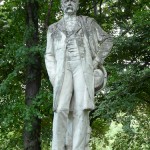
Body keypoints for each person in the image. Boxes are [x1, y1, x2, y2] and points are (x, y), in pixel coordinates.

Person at [45, 0, 113, 149]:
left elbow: (108, 40)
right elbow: (49, 55)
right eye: (66, 1)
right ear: (61, 5)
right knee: (61, 108)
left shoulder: (88, 23)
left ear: (78, 5)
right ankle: (57, 147)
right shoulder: (53, 28)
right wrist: (54, 76)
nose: (69, 3)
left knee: (81, 109)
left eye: (73, 0)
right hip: (62, 70)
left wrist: (96, 61)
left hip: (83, 66)